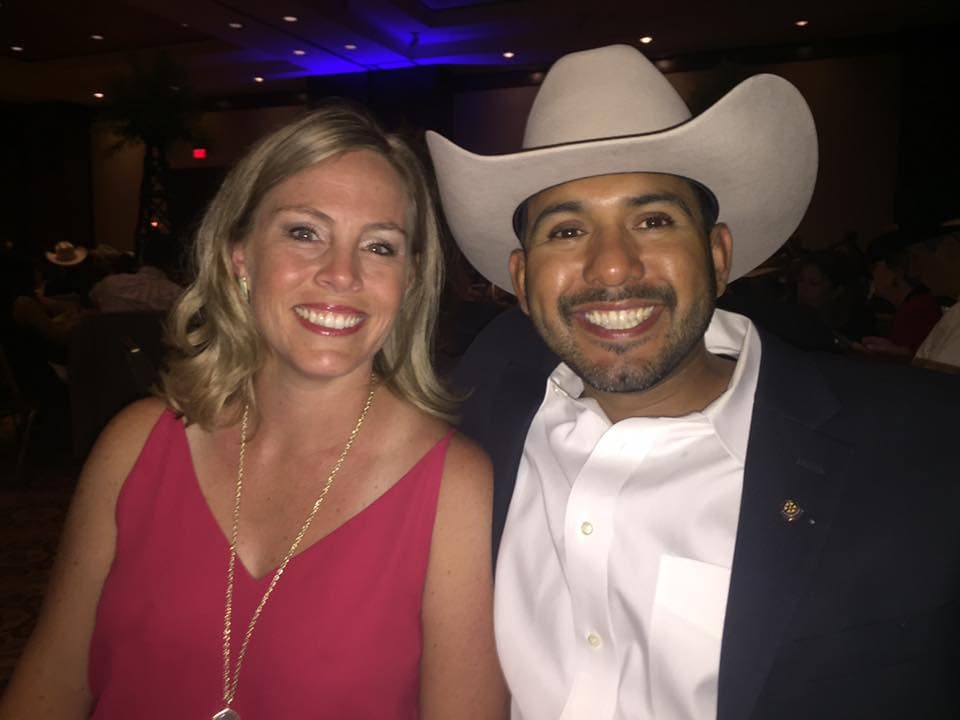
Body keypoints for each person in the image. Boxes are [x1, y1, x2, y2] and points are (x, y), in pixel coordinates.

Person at [427, 45, 960, 719]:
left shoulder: (927, 454)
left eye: (653, 221)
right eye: (567, 230)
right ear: (524, 279)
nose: (612, 267)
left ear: (717, 255)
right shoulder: (489, 389)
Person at [0, 104, 506, 718]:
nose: (341, 274)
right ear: (240, 255)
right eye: (304, 232)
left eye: (379, 246)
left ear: (409, 279)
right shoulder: (134, 445)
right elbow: (49, 686)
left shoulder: (454, 487)